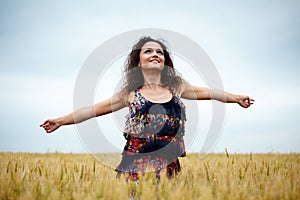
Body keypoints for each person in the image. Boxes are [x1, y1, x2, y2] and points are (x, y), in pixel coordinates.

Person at [40, 36, 254, 182]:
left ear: (164, 61)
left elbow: (212, 93)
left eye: (159, 52)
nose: (155, 54)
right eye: (148, 51)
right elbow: (91, 110)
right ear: (139, 61)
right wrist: (60, 121)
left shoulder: (177, 88)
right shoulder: (130, 93)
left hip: (169, 164)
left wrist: (236, 98)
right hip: (135, 167)